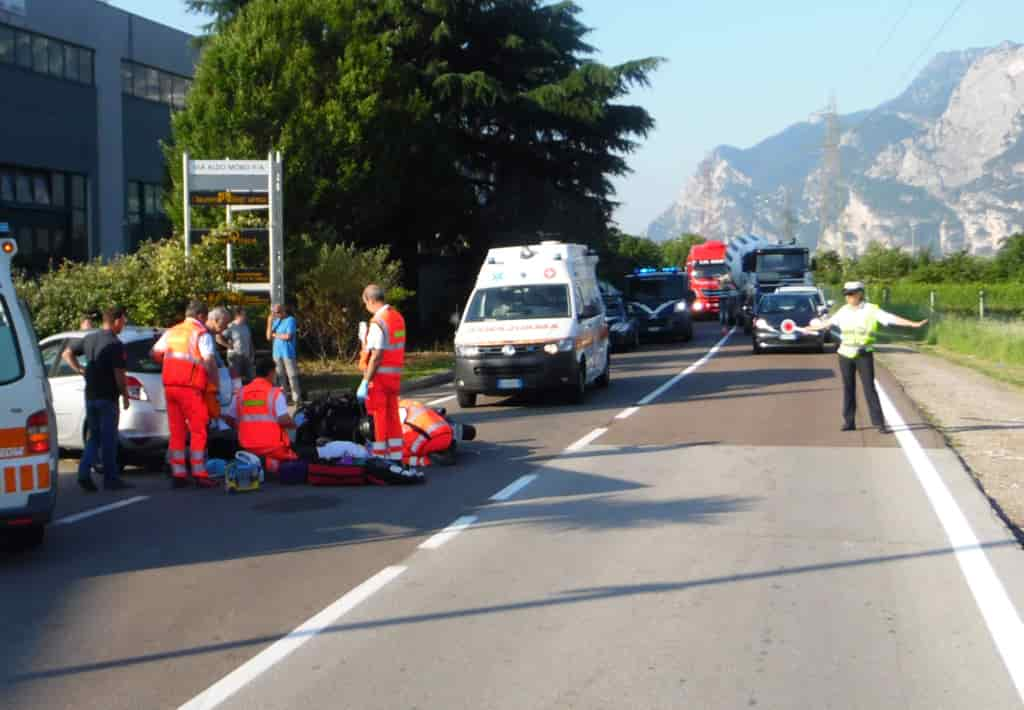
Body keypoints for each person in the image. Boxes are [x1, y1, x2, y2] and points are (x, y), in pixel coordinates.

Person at [801, 281, 927, 433]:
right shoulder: (843, 310)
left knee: (869, 388)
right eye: (847, 295)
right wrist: (810, 328)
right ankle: (849, 422)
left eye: (852, 294)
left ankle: (879, 423)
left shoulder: (871, 309)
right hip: (845, 354)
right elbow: (828, 323)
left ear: (860, 293)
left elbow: (891, 318)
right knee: (848, 387)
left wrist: (913, 324)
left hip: (863, 354)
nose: (849, 297)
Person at [62, 306, 132, 492]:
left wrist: (80, 370)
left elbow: (66, 353)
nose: (124, 324)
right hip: (107, 397)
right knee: (109, 439)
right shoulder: (115, 344)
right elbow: (119, 374)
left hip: (90, 395)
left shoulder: (90, 338)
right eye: (123, 321)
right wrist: (125, 395)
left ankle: (84, 473)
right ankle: (111, 479)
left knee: (94, 437)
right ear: (116, 320)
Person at [152, 300, 220, 487]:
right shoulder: (200, 333)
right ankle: (199, 472)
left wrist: (170, 365)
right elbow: (209, 361)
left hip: (170, 387)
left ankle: (179, 473)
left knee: (177, 431)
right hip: (190, 388)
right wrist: (215, 384)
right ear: (200, 316)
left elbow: (154, 353)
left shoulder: (172, 331)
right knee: (199, 429)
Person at [358, 284, 406, 465]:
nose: (366, 307)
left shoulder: (378, 321)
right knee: (393, 416)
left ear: (370, 300)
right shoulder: (397, 317)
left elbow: (377, 355)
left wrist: (365, 381)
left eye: (365, 303)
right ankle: (396, 457)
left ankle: (379, 458)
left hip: (378, 378)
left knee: (378, 418)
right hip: (394, 377)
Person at [231, 356, 301, 472]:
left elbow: (229, 419)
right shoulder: (275, 394)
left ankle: (261, 463)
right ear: (271, 372)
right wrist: (295, 424)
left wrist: (243, 428)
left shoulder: (241, 393)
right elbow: (284, 420)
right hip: (274, 449)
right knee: (306, 452)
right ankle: (271, 462)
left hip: (247, 448)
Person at [399, 399, 455, 468]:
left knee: (397, 457)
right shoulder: (409, 402)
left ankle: (426, 460)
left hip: (423, 444)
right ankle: (448, 446)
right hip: (446, 433)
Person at [267, 303, 302, 405]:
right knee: (280, 377)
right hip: (277, 354)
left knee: (292, 377)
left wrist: (275, 334)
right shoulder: (276, 321)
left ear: (283, 310)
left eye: (278, 312)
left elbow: (288, 336)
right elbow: (269, 337)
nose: (276, 314)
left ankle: (297, 400)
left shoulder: (290, 320)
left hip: (288, 353)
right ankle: (283, 400)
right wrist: (269, 322)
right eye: (274, 313)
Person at [220, 306, 254, 384]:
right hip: (235, 357)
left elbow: (250, 341)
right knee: (236, 380)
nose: (245, 316)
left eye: (245, 314)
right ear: (237, 315)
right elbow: (219, 338)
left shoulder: (246, 326)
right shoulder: (230, 326)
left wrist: (252, 353)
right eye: (244, 314)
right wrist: (228, 345)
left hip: (247, 356)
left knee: (251, 379)